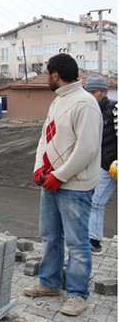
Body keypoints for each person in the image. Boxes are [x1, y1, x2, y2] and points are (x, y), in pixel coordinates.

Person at [23, 53, 102, 317]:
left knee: (78, 243)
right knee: (51, 237)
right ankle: (49, 283)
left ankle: (78, 294)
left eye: (47, 73)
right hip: (51, 182)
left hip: (75, 186)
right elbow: (45, 138)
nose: (46, 78)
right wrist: (39, 169)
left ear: (56, 74)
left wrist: (61, 174)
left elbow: (87, 148)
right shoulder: (58, 102)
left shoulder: (85, 104)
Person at [84, 74, 118, 253]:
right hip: (106, 166)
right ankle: (94, 240)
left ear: (104, 92)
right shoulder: (92, 110)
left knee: (95, 202)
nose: (90, 95)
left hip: (115, 164)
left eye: (93, 91)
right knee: (96, 201)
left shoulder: (115, 108)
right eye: (87, 91)